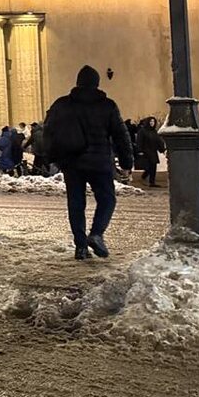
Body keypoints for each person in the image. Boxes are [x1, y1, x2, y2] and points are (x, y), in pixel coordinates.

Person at [43, 65, 134, 260]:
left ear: (78, 82)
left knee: (76, 204)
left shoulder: (63, 104)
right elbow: (121, 134)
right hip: (99, 161)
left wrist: (53, 156)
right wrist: (127, 161)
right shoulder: (107, 105)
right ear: (97, 84)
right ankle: (97, 233)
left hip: (72, 162)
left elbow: (49, 130)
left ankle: (81, 246)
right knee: (107, 199)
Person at [135, 117, 165, 187]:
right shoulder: (142, 131)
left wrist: (162, 149)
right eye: (151, 121)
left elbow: (158, 141)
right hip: (146, 152)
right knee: (148, 167)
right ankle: (144, 177)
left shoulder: (154, 131)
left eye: (153, 122)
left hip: (153, 151)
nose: (152, 123)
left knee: (153, 166)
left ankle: (152, 182)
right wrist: (139, 150)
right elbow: (139, 141)